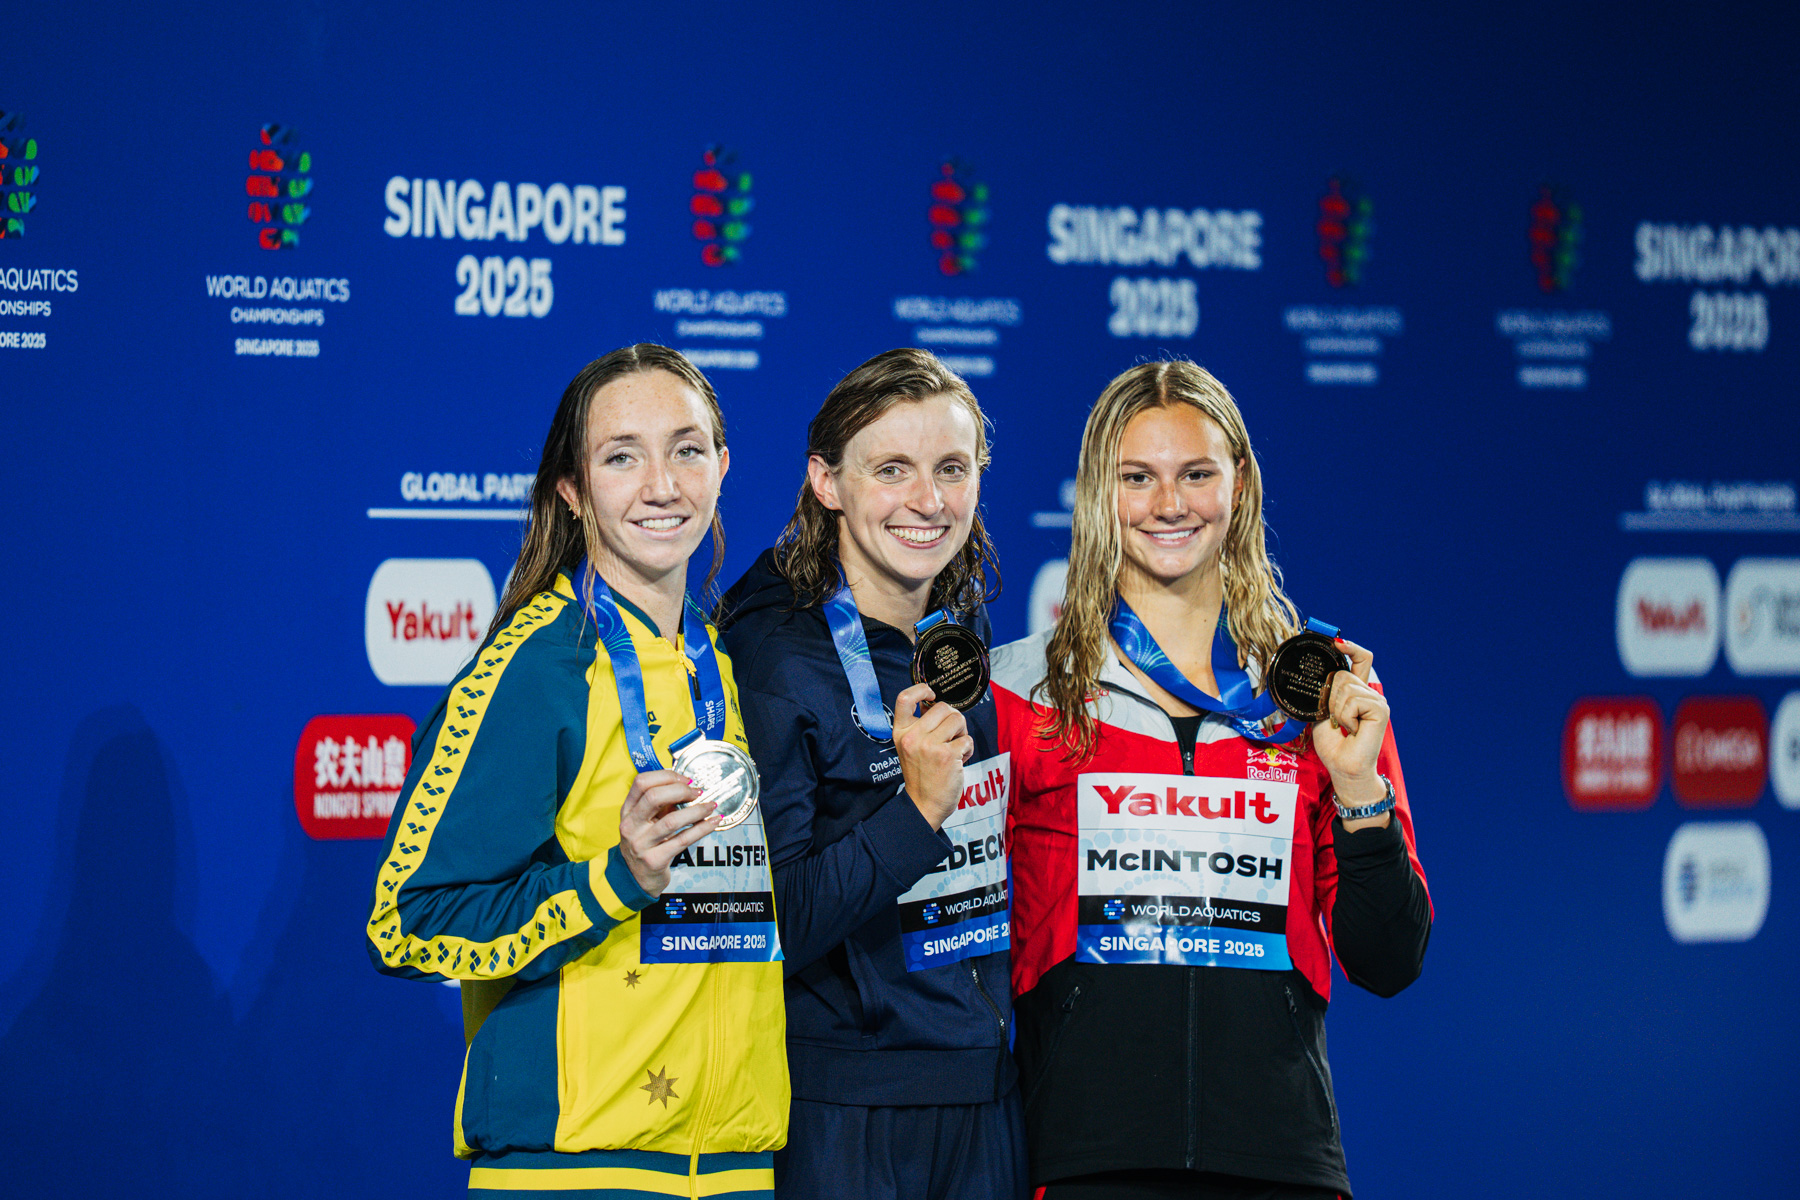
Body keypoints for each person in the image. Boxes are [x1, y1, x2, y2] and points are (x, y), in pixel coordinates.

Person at [989, 360, 1431, 1200]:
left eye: (1197, 473)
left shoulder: (1319, 696)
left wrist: (1359, 792)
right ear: (1097, 493)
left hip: (1278, 1160)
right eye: (1138, 478)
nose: (1169, 504)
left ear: (1241, 483)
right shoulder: (1018, 693)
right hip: (1087, 1158)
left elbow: (1389, 958)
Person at [366, 345, 789, 1198]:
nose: (662, 484)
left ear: (723, 467)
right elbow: (406, 922)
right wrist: (614, 878)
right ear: (572, 487)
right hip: (575, 1167)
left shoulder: (721, 659)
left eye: (687, 449)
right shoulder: (538, 666)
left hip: (734, 1164)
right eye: (621, 456)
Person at [717, 348, 1028, 1200]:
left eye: (952, 469)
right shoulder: (773, 656)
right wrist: (916, 813)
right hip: (845, 1112)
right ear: (826, 481)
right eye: (892, 469)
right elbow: (769, 922)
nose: (928, 502)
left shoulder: (955, 644)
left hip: (982, 1098)